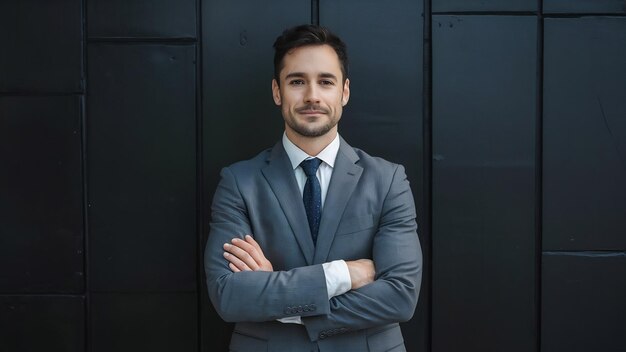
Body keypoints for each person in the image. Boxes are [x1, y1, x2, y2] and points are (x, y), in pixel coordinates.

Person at [204, 24, 422, 352]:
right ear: (277, 91)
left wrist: (281, 301)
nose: (312, 96)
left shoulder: (388, 180)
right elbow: (229, 295)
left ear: (344, 92)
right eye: (297, 82)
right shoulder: (239, 182)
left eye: (325, 81)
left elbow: (400, 296)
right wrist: (341, 275)